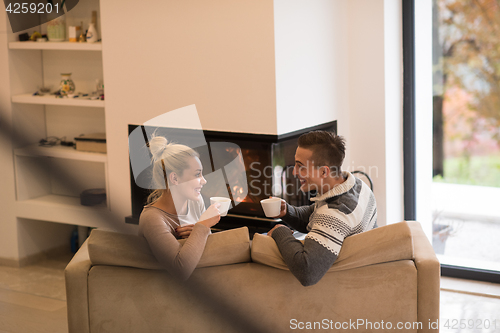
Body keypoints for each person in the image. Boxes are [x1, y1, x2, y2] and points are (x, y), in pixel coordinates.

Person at [267, 130, 378, 286]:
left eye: (301, 167)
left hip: (342, 285)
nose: (294, 172)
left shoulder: (335, 214)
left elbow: (307, 271)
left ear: (324, 171)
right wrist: (288, 211)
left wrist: (280, 231)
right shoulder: (357, 185)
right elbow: (316, 214)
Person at [138, 135, 221, 280]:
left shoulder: (196, 202)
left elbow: (208, 253)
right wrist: (203, 226)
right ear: (175, 179)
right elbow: (180, 271)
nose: (204, 180)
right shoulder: (152, 218)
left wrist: (201, 232)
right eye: (197, 174)